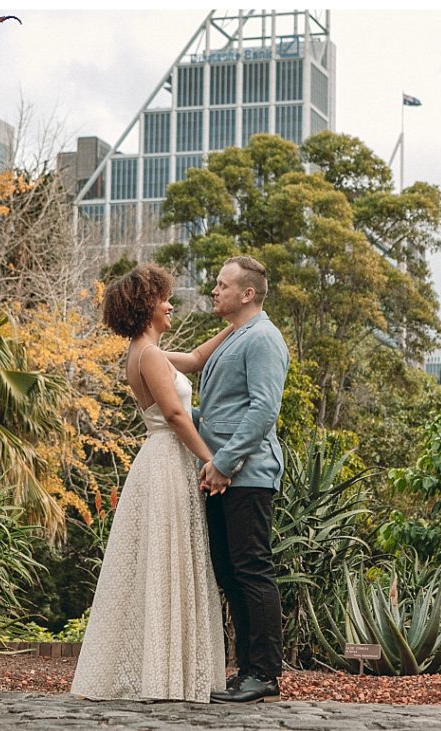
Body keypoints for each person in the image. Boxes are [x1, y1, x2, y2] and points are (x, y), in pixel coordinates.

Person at [70, 264, 233, 703]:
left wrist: (237, 325)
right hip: (165, 458)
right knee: (168, 557)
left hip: (160, 458)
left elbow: (197, 359)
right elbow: (177, 416)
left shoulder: (147, 352)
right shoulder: (148, 355)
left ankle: (166, 669)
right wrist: (213, 460)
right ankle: (163, 674)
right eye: (164, 298)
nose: (170, 304)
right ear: (147, 307)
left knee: (166, 557)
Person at [194, 256, 290, 704]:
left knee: (252, 570)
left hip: (246, 474)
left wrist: (224, 463)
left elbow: (262, 410)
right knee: (231, 574)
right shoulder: (235, 337)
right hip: (221, 473)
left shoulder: (264, 338)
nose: (214, 291)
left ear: (247, 293)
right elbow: (219, 412)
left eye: (222, 284)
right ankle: (246, 670)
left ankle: (265, 675)